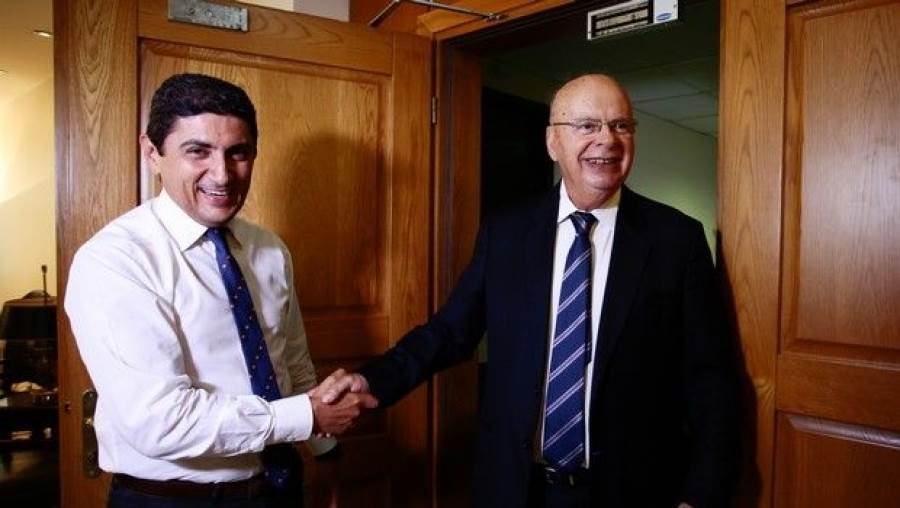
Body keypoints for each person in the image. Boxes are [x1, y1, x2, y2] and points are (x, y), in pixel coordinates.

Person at [316, 74, 739, 507]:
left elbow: (710, 377)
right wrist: (373, 379)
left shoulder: (676, 240)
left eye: (621, 125)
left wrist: (701, 495)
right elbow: (449, 332)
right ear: (553, 142)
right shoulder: (506, 232)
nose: (607, 140)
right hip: (516, 488)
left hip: (630, 491)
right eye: (588, 125)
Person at [65, 73, 376, 508]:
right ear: (152, 154)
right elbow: (160, 421)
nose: (223, 174)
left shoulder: (270, 250)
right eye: (198, 151)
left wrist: (324, 450)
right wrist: (305, 416)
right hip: (172, 500)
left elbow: (291, 363)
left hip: (279, 488)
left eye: (238, 153)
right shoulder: (115, 261)